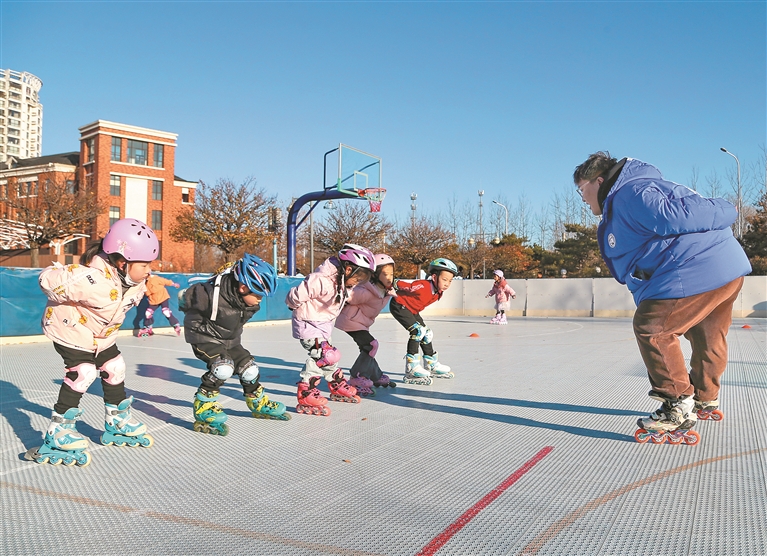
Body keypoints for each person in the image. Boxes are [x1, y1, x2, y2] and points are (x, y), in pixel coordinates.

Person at [573, 151, 751, 444]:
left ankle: (677, 404)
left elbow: (676, 216)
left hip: (696, 269)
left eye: (582, 189)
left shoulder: (630, 193)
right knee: (707, 335)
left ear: (599, 181)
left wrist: (726, 208)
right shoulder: (641, 189)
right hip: (726, 268)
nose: (582, 197)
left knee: (653, 328)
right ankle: (705, 396)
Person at [26, 218, 159, 467]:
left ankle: (116, 420)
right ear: (123, 262)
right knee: (83, 372)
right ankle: (59, 431)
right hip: (70, 329)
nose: (149, 270)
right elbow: (47, 280)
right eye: (144, 265)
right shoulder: (91, 279)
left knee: (115, 367)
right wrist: (60, 276)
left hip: (101, 335)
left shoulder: (136, 283)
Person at [182, 253, 289, 435]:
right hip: (203, 336)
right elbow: (189, 296)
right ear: (243, 287)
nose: (260, 300)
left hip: (230, 340)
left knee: (250, 369)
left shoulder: (250, 302)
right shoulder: (212, 294)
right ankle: (203, 405)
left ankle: (257, 402)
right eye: (258, 294)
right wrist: (186, 303)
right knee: (223, 368)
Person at [286, 243, 375, 416]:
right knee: (324, 355)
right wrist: (292, 304)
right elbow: (296, 295)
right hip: (308, 322)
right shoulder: (321, 280)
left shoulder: (341, 281)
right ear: (348, 269)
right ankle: (306, 391)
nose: (356, 283)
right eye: (357, 279)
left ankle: (336, 384)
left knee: (329, 357)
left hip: (324, 325)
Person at [335, 253, 398, 396]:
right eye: (385, 274)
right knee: (371, 345)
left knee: (367, 349)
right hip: (351, 321)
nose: (389, 278)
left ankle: (376, 375)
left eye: (391, 274)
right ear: (375, 275)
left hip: (361, 323)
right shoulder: (365, 290)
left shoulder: (386, 290)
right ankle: (357, 377)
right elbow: (348, 295)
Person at [390, 258, 458, 385]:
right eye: (444, 279)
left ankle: (431, 364)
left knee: (427, 333)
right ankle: (411, 368)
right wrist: (391, 282)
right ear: (434, 277)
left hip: (412, 310)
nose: (447, 284)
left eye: (450, 281)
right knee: (417, 331)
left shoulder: (438, 292)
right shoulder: (424, 286)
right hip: (399, 305)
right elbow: (408, 287)